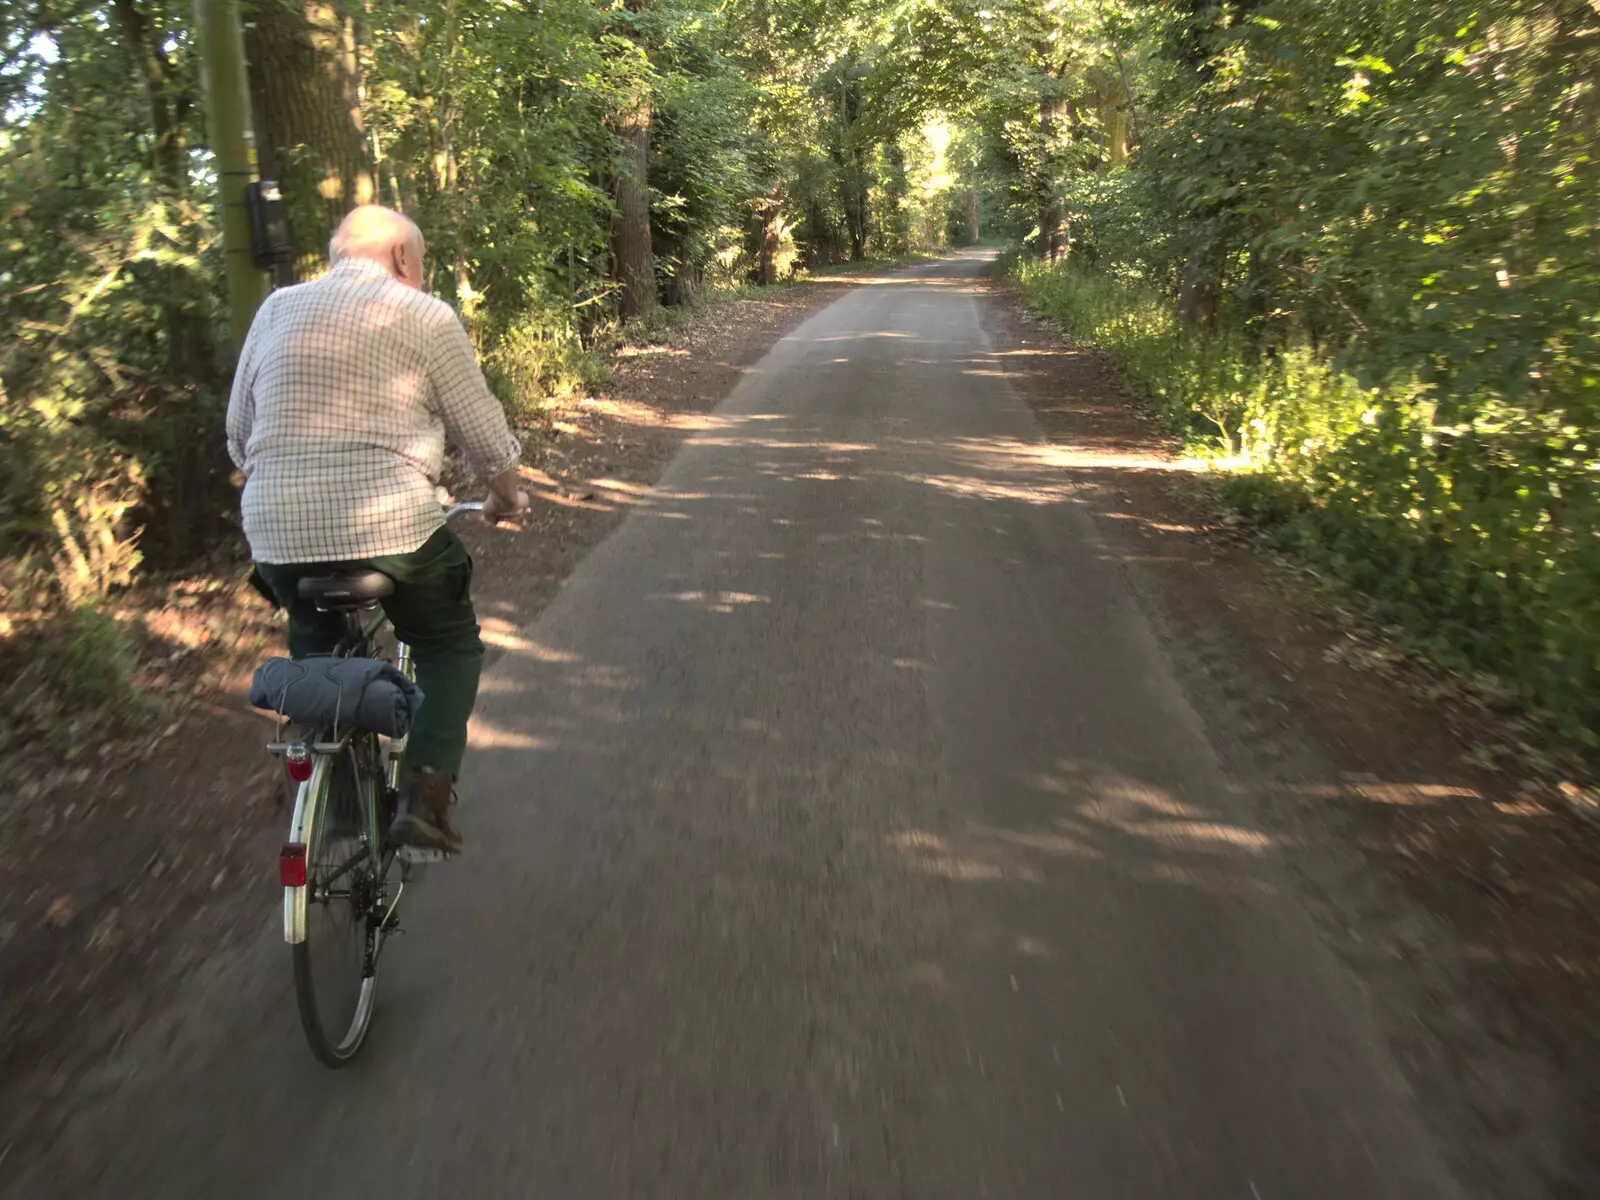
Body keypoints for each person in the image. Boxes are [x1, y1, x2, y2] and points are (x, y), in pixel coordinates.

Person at [226, 205, 527, 856]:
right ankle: (423, 797)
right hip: (394, 524)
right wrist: (505, 496)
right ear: (400, 260)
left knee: (313, 636)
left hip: (275, 525)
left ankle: (329, 801)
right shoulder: (423, 315)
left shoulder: (276, 310)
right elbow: (484, 437)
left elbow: (238, 436)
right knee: (448, 645)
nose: (418, 276)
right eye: (418, 265)